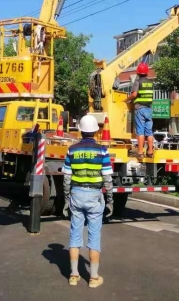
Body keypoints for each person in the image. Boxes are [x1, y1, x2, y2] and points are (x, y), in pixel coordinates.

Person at [62, 115, 113, 288]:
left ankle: (74, 275)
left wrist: (66, 198)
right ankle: (93, 277)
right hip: (94, 196)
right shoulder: (102, 151)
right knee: (94, 236)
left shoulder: (71, 150)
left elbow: (67, 178)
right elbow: (107, 178)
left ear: (81, 131)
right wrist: (110, 200)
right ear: (96, 131)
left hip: (76, 194)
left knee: (75, 236)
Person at [127, 62, 154, 159]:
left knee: (140, 131)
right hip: (149, 109)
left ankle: (140, 152)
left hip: (140, 109)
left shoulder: (137, 82)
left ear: (138, 73)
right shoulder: (151, 83)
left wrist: (127, 99)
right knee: (149, 131)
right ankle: (150, 151)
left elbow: (134, 94)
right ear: (147, 72)